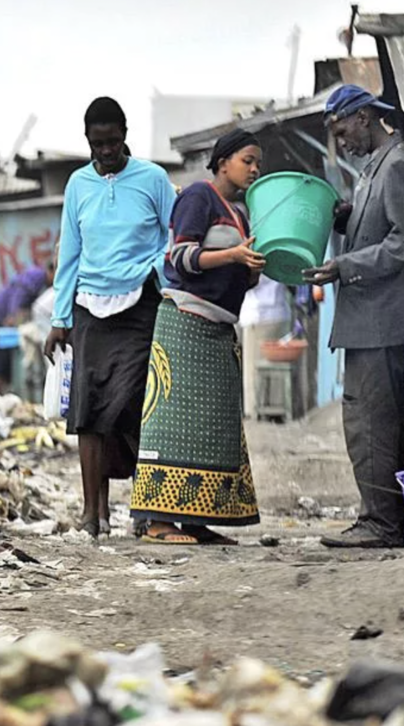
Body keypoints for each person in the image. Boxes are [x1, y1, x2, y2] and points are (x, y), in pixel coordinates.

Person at [304, 84, 404, 549]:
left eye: (343, 132)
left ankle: (380, 523)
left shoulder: (396, 165)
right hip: (369, 322)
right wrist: (347, 217)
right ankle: (379, 517)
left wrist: (344, 265)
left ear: (363, 117)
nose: (342, 143)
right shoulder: (373, 170)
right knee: (368, 420)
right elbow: (380, 228)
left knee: (374, 422)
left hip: (382, 321)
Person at [44, 96, 177, 538]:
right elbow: (70, 253)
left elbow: (173, 236)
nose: (106, 151)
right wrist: (59, 317)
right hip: (89, 309)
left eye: (113, 142)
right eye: (97, 144)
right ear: (87, 141)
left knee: (136, 404)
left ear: (125, 135)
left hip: (140, 305)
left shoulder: (153, 179)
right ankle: (91, 513)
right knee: (89, 410)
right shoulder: (78, 185)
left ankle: (145, 506)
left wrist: (155, 271)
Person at [129, 129, 266, 544]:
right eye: (248, 160)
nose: (255, 169)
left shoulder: (240, 212)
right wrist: (233, 255)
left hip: (219, 328)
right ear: (222, 161)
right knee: (174, 425)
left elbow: (235, 276)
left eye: (258, 162)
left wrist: (251, 270)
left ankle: (195, 519)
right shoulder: (197, 197)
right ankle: (157, 522)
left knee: (211, 427)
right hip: (185, 325)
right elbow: (182, 256)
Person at [0, 264, 52, 394]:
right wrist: (12, 316)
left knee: (4, 355)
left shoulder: (41, 281)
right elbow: (19, 295)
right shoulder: (36, 277)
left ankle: (3, 390)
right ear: (51, 271)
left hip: (0, 311)